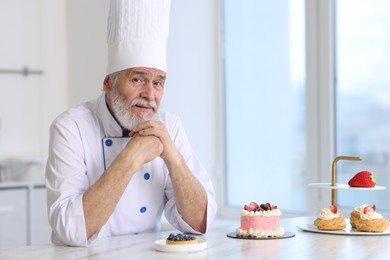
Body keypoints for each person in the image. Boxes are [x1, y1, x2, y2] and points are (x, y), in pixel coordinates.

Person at [45, 0, 217, 247]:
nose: (149, 94)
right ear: (108, 83)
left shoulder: (170, 126)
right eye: (137, 79)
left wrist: (173, 157)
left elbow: (201, 223)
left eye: (158, 83)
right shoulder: (70, 128)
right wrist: (131, 157)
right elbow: (71, 230)